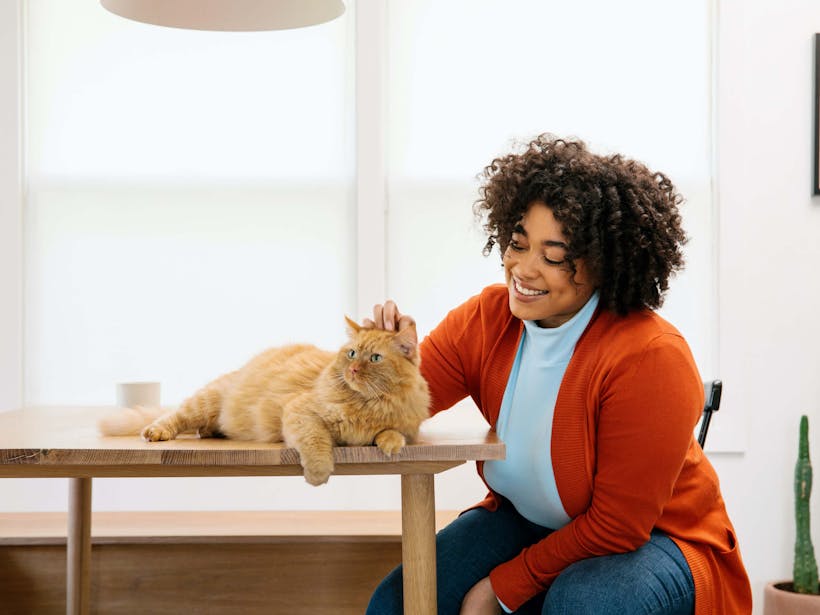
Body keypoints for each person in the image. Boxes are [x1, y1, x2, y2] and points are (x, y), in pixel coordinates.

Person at [364, 135, 752, 615]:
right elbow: (401, 408)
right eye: (517, 243)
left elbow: (618, 526)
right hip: (529, 522)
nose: (523, 270)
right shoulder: (486, 320)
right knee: (398, 603)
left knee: (581, 603)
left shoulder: (650, 356)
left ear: (603, 263)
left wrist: (499, 589)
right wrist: (384, 365)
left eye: (552, 256)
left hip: (661, 541)